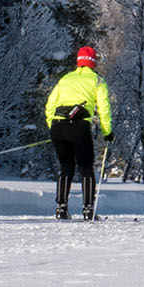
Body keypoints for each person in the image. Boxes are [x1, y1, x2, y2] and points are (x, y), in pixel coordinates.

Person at [44, 45, 113, 220]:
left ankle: (61, 208)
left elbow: (50, 106)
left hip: (59, 126)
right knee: (86, 167)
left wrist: (53, 126)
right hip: (80, 127)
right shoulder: (98, 81)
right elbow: (104, 109)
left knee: (66, 167)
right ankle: (88, 209)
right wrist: (107, 132)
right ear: (93, 62)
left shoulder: (65, 79)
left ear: (78, 62)